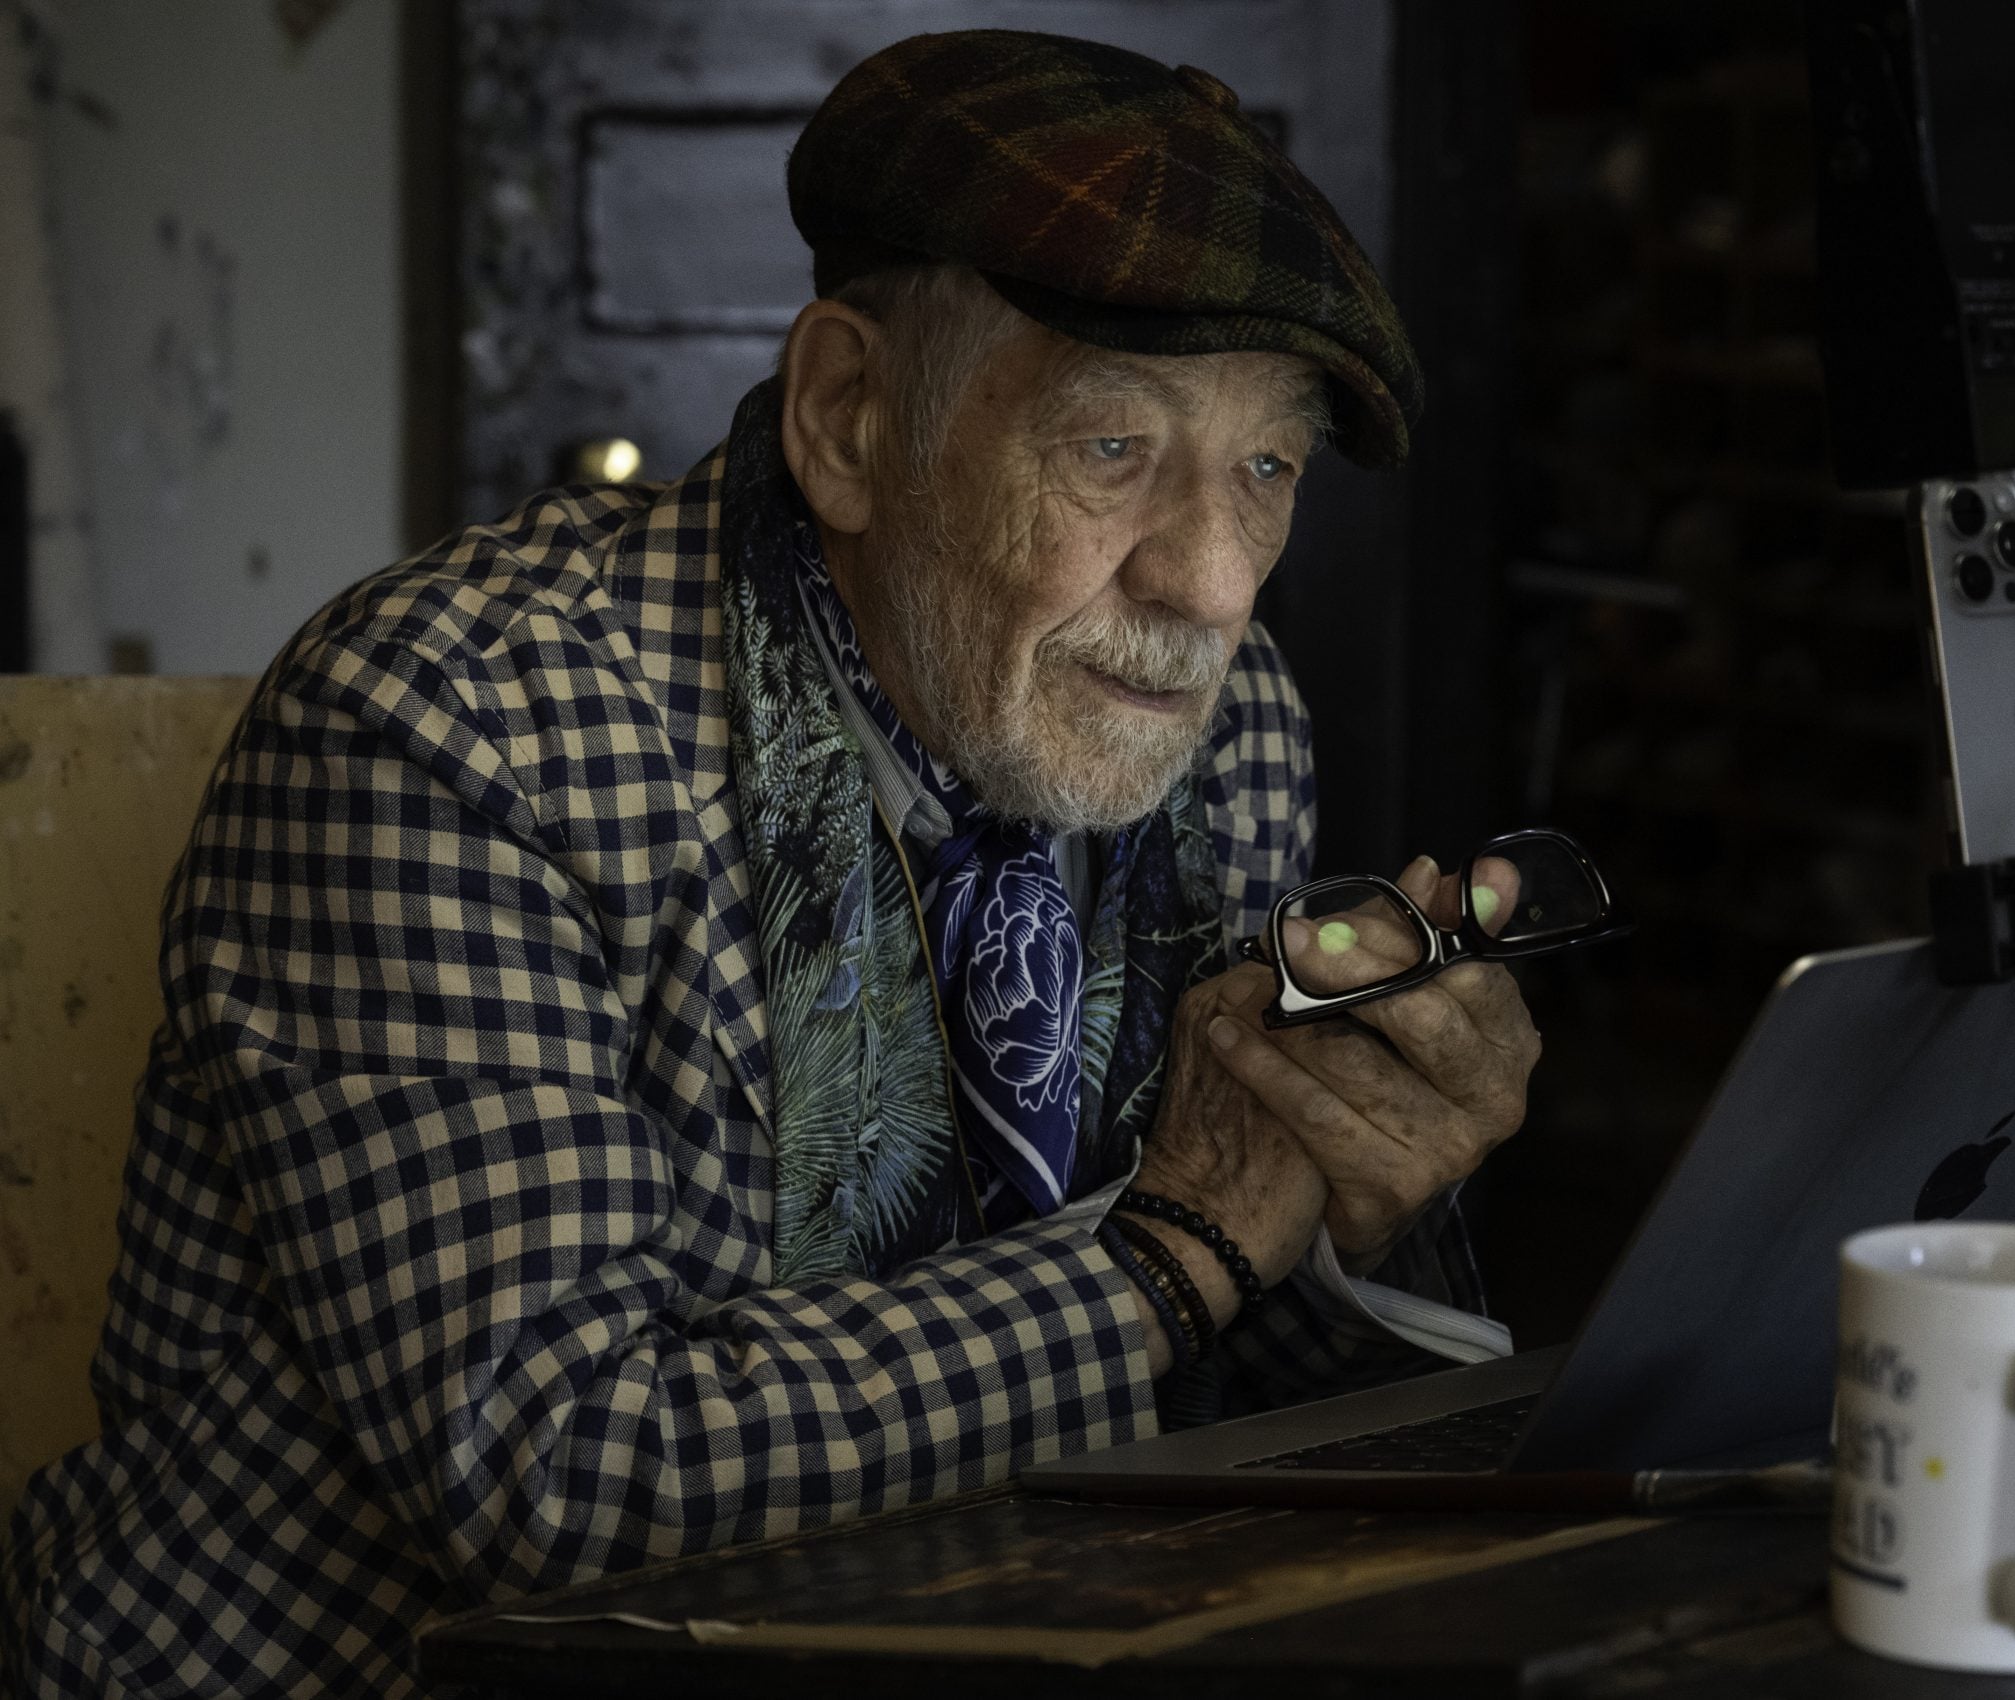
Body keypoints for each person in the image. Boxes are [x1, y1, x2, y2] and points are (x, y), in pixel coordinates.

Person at [1, 29, 1540, 1700]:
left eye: (1265, 470)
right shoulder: (451, 726)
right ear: (849, 417)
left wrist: (1358, 1202)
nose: (1214, 586)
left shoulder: (1220, 731)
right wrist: (1176, 1249)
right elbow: (566, 1482)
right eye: (1113, 450)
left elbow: (1233, 1383)